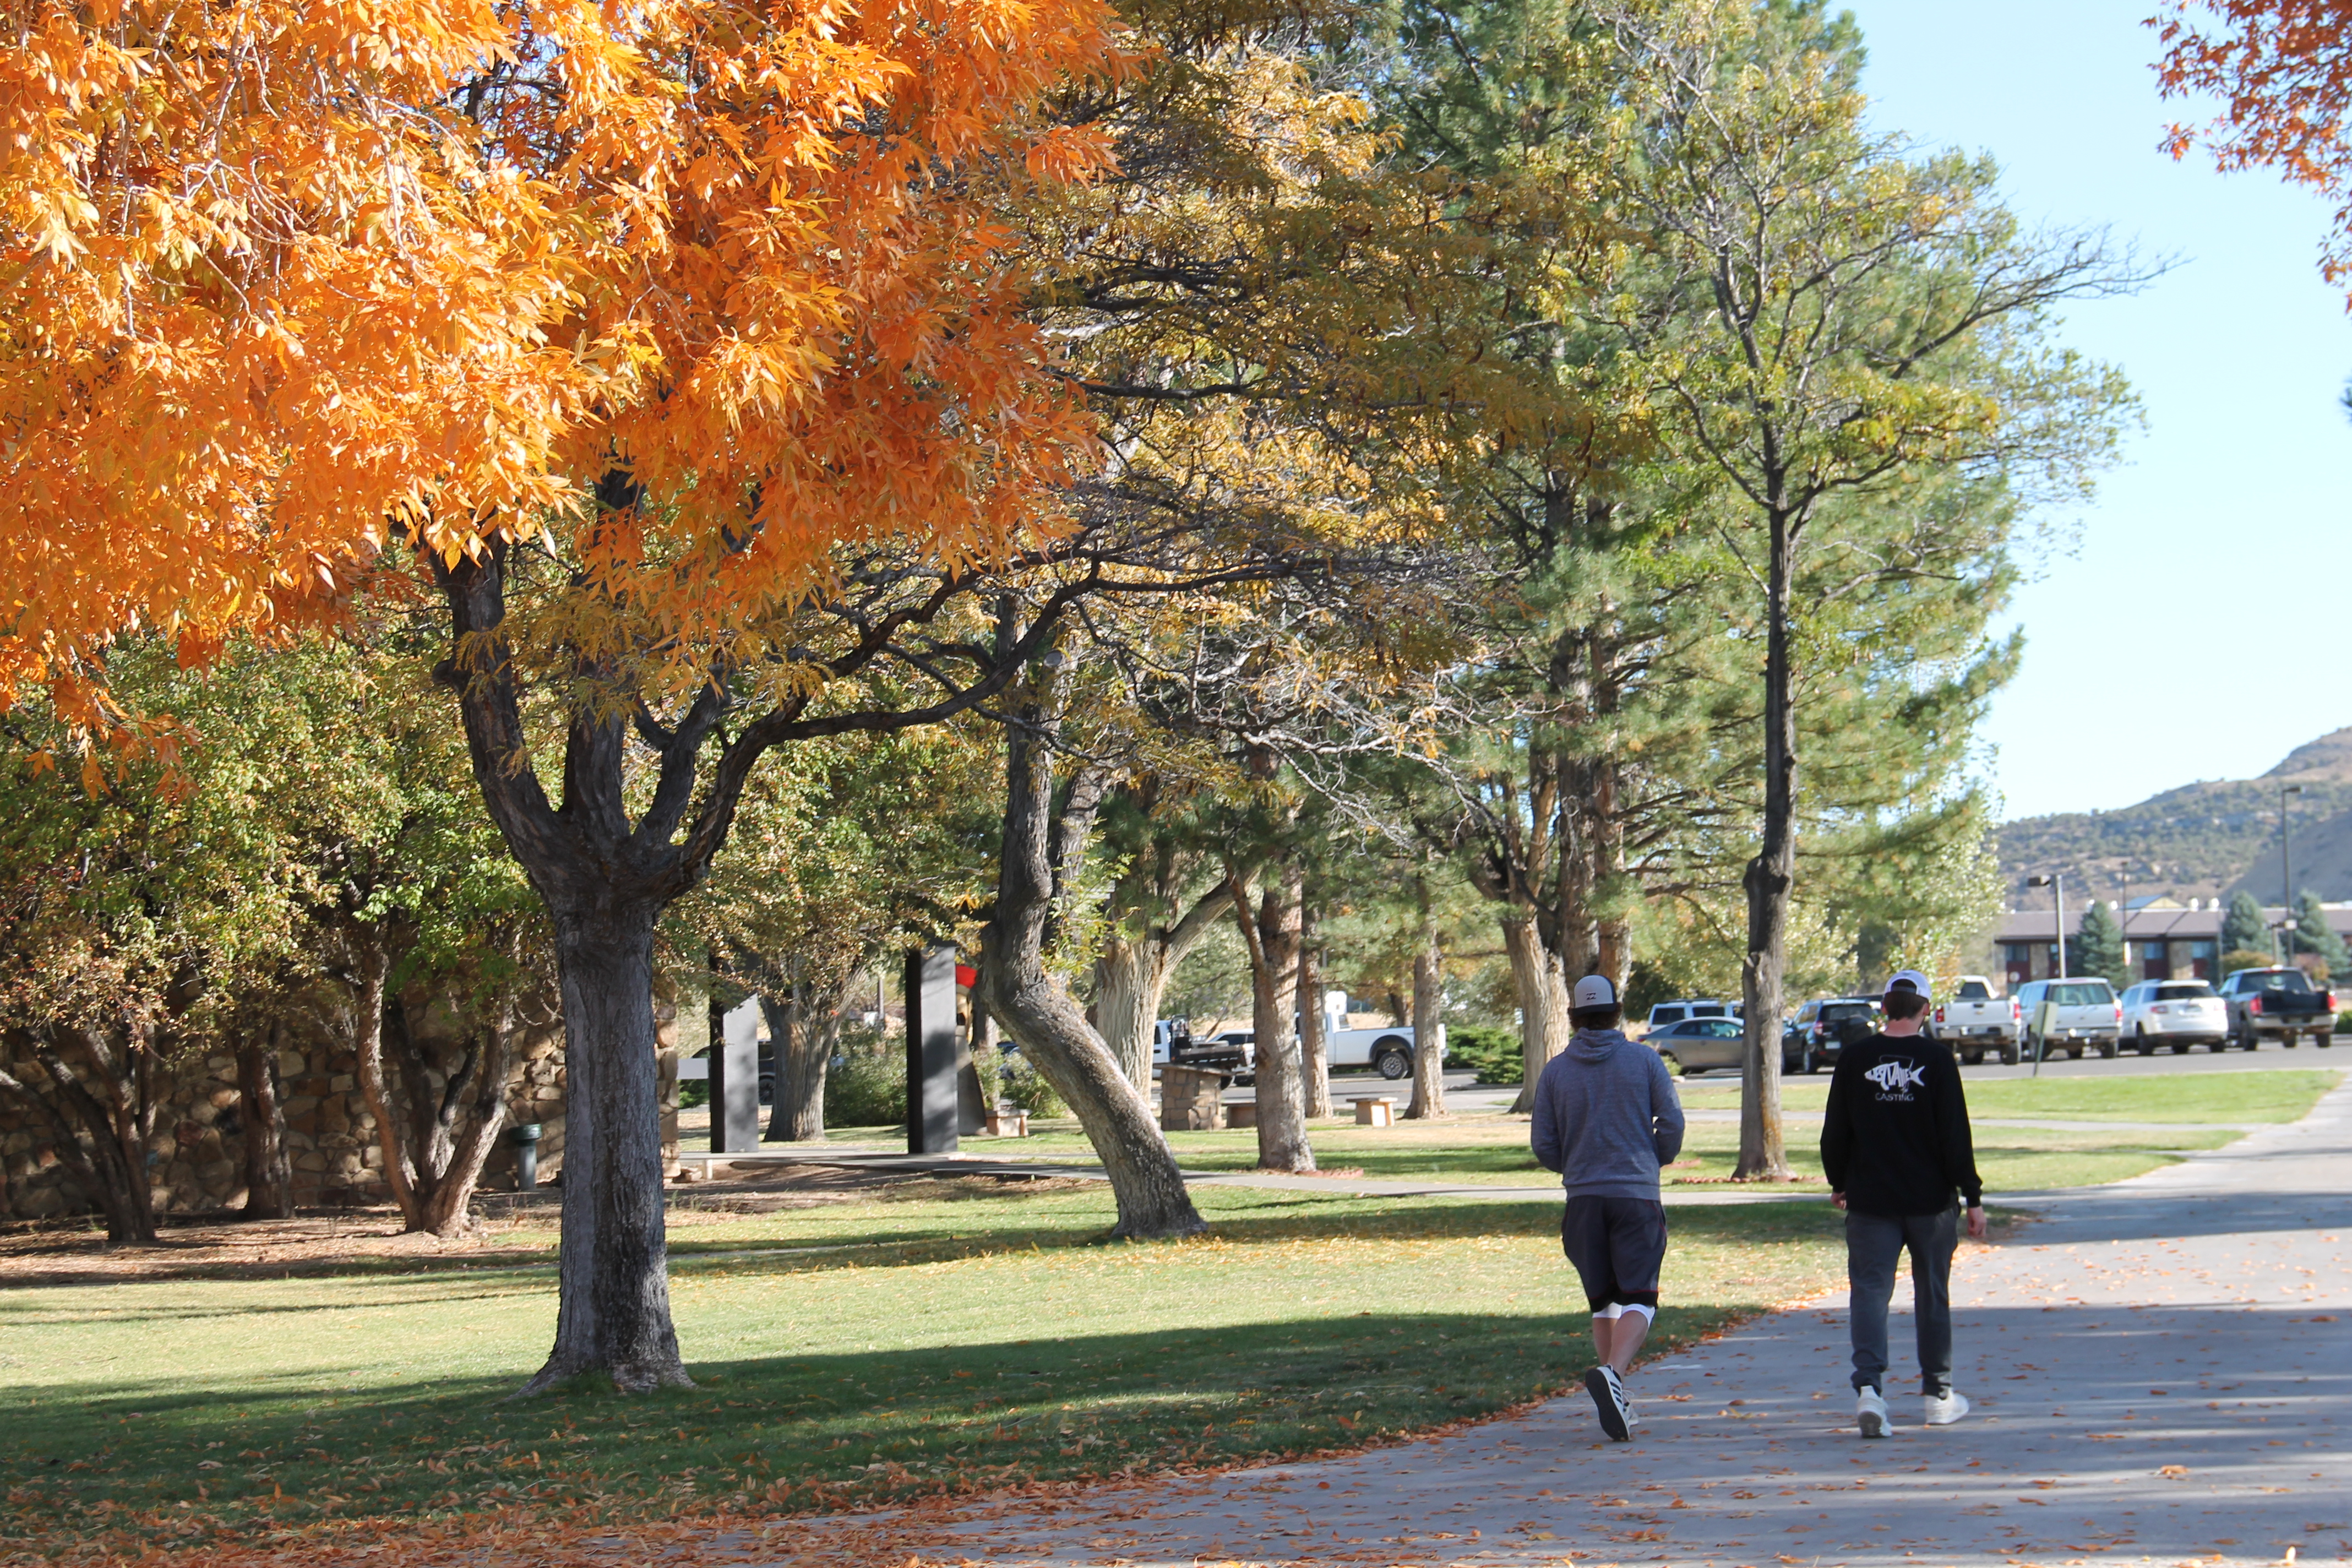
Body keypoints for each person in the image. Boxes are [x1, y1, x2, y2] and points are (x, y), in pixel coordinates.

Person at [1821, 968, 1988, 1439]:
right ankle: (1938, 1395)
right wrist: (1972, 1196)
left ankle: (1869, 1389)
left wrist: (1839, 1181)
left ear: (1884, 1008)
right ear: (1925, 1011)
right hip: (1930, 1202)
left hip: (1872, 1199)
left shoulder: (1855, 1058)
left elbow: (1836, 1130)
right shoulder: (1937, 1059)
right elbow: (1955, 1137)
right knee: (1932, 1292)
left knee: (1871, 1292)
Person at [1531, 973, 1686, 1442]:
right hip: (1636, 1195)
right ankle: (1614, 1376)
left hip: (1583, 1200)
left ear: (1575, 1016)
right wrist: (1656, 1156)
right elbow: (1672, 1122)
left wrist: (1574, 1167)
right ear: (1616, 1012)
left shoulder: (1556, 1071)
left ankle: (1614, 1393)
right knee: (1641, 1297)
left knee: (1603, 1301)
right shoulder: (1644, 1061)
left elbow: (1543, 1142)